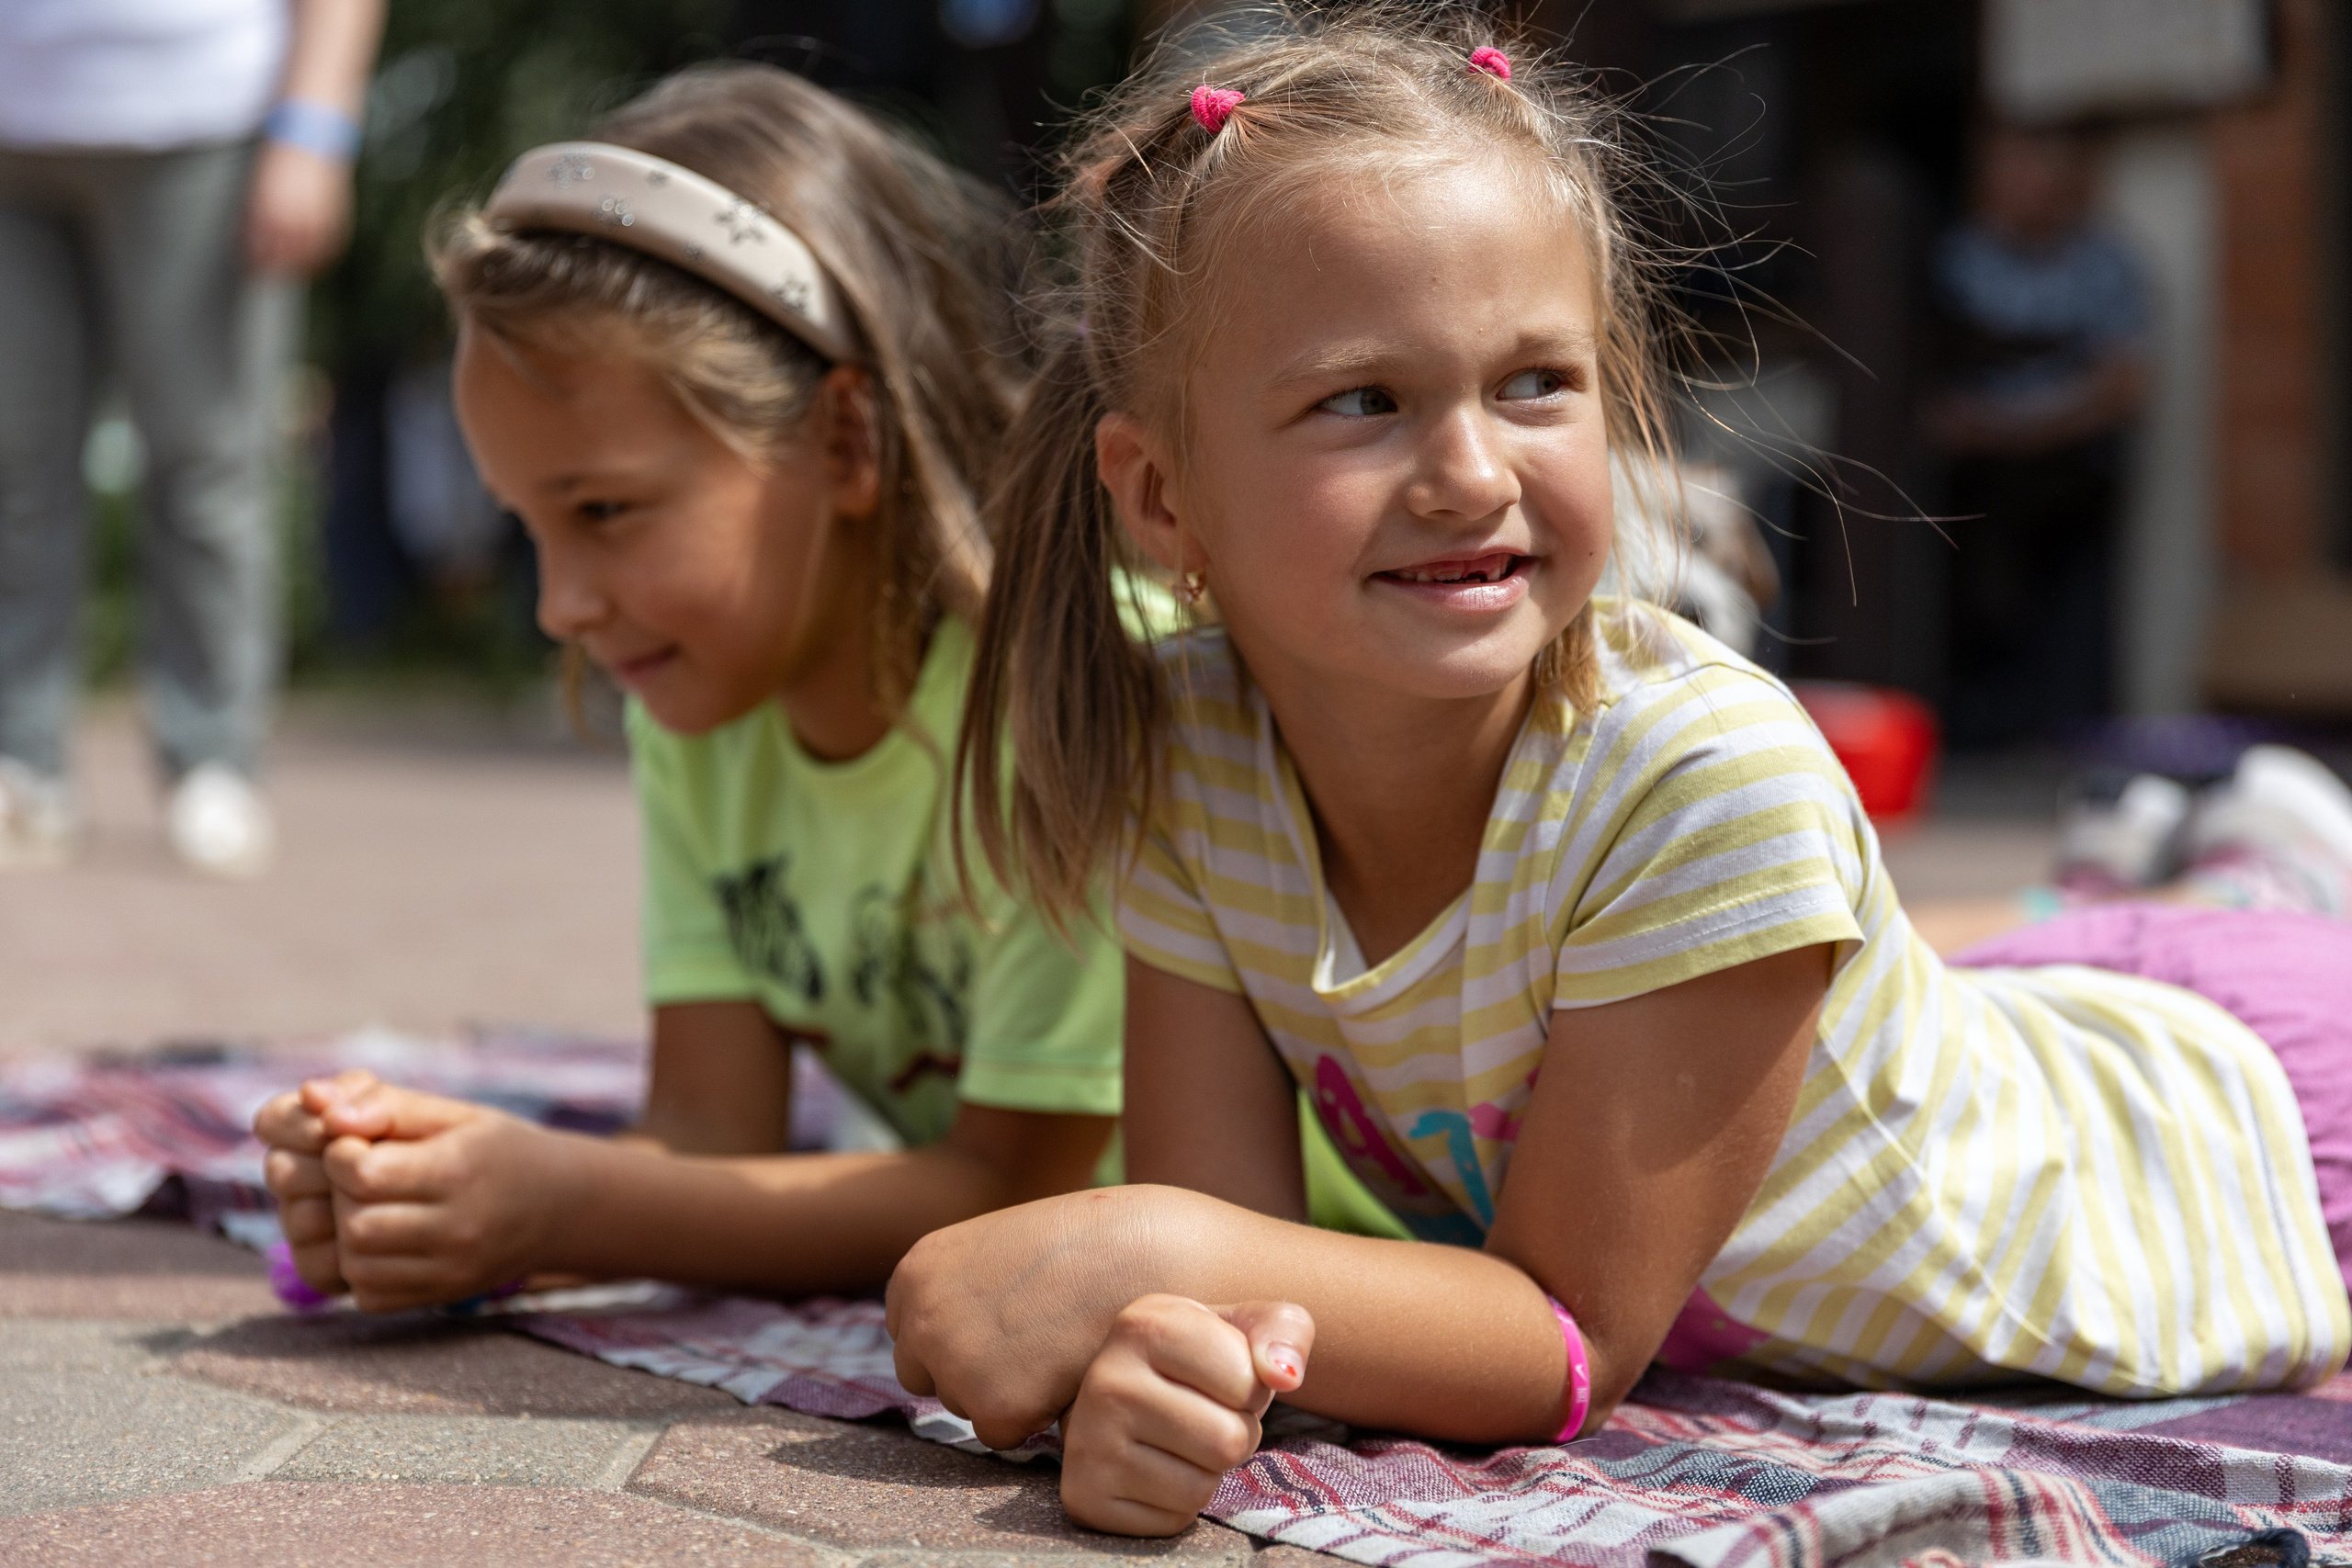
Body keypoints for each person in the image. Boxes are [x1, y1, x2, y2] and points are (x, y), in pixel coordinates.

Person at [881, 8, 2352, 1538]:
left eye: (1533, 381)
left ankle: (2255, 875)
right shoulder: (1189, 753)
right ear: (1162, 495)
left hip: (2251, 1162)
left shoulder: (1704, 779)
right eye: (1362, 400)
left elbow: (1559, 1332)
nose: (1470, 473)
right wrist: (1173, 1370)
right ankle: (2211, 872)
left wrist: (1142, 1254)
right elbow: (1245, 1269)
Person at [250, 64, 1142, 1311]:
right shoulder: (704, 706)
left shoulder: (1074, 692)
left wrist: (559, 1203)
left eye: (604, 511)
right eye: (528, 527)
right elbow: (710, 1134)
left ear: (845, 438)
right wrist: (437, 1194)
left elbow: (1012, 1191)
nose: (560, 605)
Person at [0, 0, 386, 876]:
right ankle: (18, 763)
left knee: (206, 464)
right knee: (11, 468)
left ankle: (213, 757)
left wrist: (315, 125)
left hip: (204, 115)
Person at [1925, 121, 2149, 747]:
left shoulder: (2106, 264)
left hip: (2070, 467)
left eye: (2039, 168)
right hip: (1973, 477)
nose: (2025, 185)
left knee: (2074, 600)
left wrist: (2015, 431)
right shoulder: (1958, 260)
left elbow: (2124, 385)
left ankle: (2069, 730)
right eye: (2009, 168)